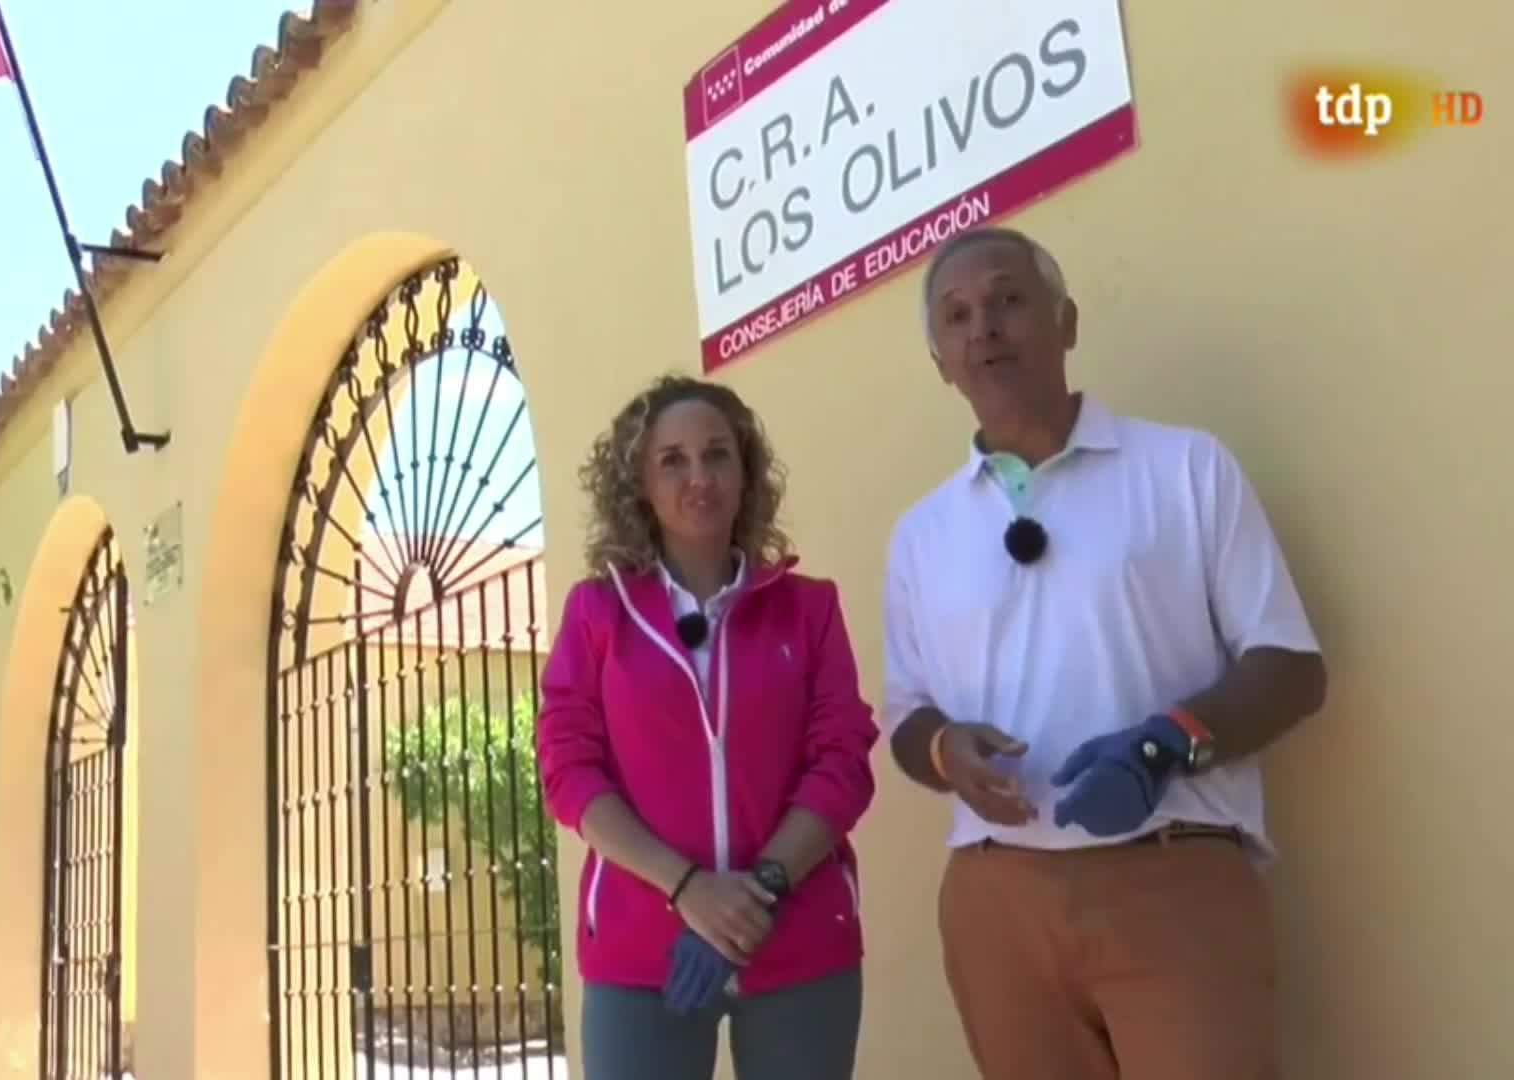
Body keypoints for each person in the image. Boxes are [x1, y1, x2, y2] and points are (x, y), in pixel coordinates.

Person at [881, 226, 1329, 1080]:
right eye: (957, 316)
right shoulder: (919, 536)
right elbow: (906, 717)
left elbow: (1291, 667)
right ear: (940, 360)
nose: (984, 329)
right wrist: (943, 750)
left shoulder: (1186, 468)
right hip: (996, 903)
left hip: (1174, 875)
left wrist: (1164, 745)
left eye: (1009, 300)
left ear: (1067, 321)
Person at [534, 374, 879, 1080]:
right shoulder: (598, 613)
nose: (699, 477)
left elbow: (842, 762)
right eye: (673, 460)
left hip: (797, 940)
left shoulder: (808, 609)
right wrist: (687, 888)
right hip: (643, 951)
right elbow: (568, 769)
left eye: (718, 454)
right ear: (639, 484)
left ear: (746, 472)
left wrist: (758, 894)